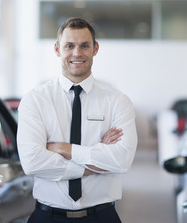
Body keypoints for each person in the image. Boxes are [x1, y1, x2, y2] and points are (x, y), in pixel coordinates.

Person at [17, 17, 138, 223]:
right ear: (57, 49)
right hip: (47, 216)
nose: (77, 53)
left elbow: (122, 159)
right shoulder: (35, 100)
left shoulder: (117, 101)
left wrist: (65, 148)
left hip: (102, 216)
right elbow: (33, 162)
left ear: (95, 48)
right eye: (69, 46)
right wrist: (92, 165)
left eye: (84, 46)